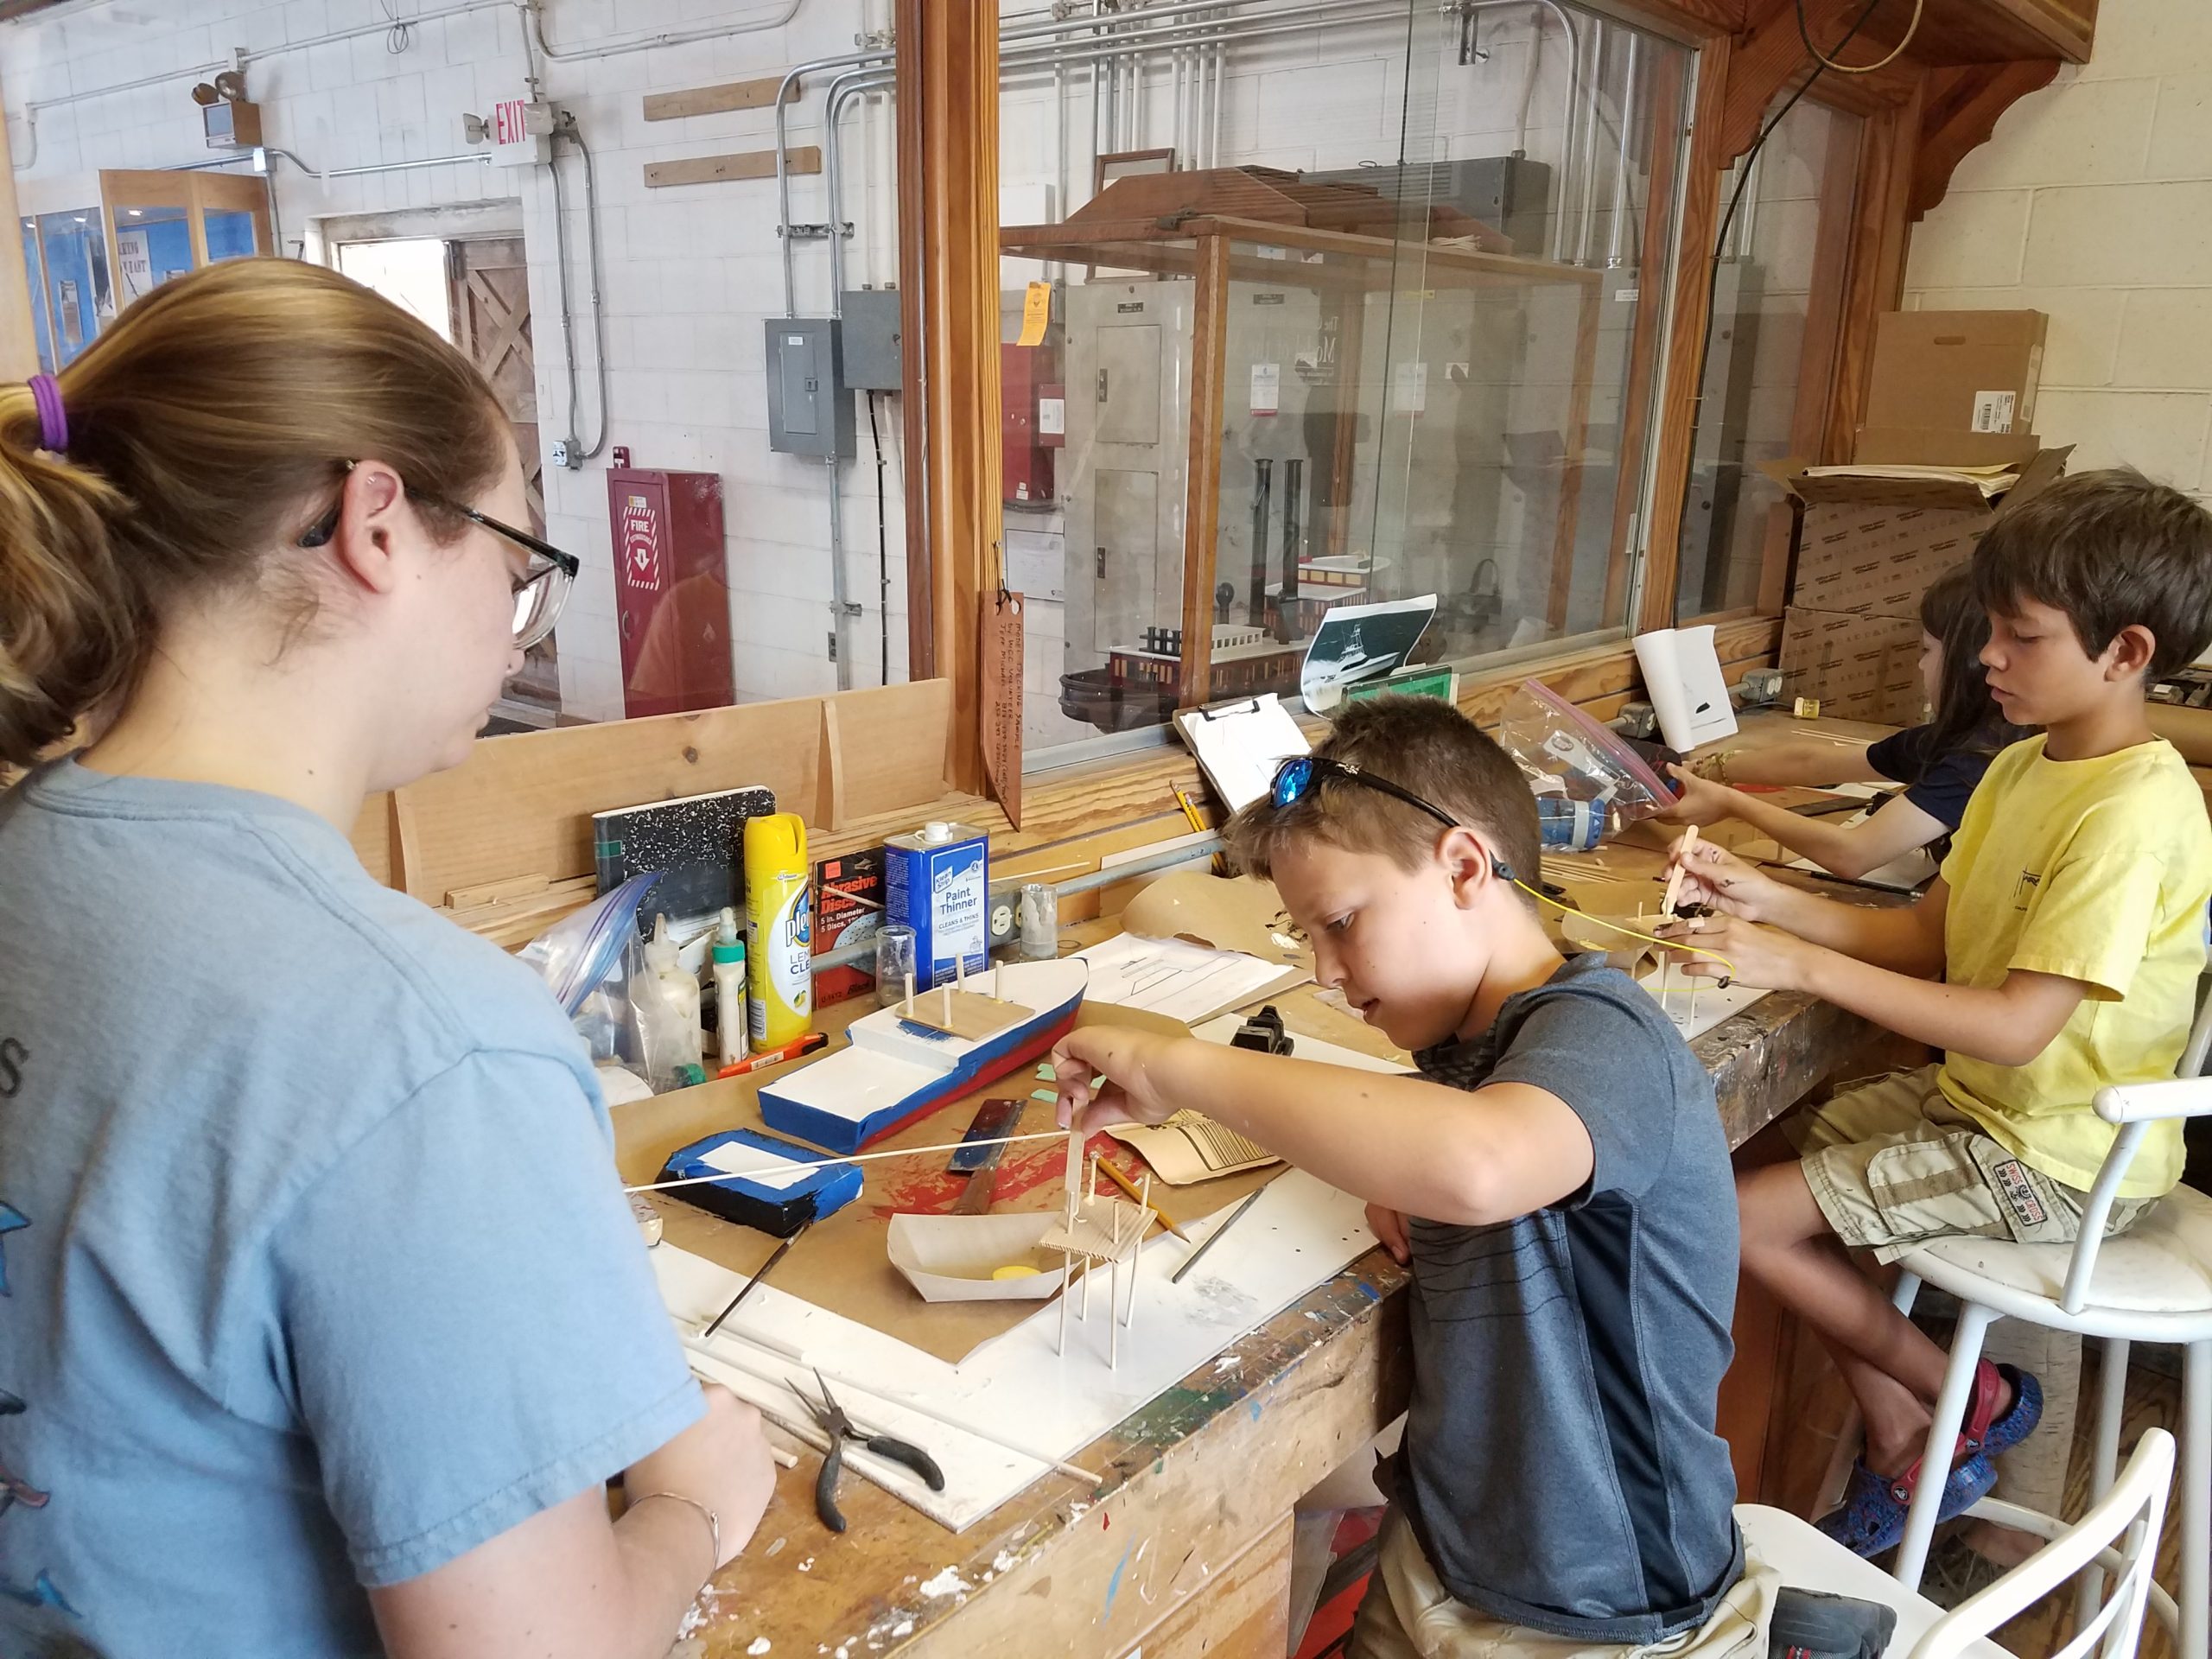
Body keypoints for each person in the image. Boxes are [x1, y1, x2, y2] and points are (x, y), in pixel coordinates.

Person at [0, 261, 776, 1657]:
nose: (514, 618)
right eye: (518, 562)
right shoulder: (421, 1042)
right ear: (376, 525)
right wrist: (693, 1515)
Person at [1052, 696, 1776, 1659]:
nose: (1323, 973)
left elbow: (1478, 1165)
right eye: (1306, 935)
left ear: (1465, 867)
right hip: (1448, 1549)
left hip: (1604, 1606)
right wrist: (1396, 1164)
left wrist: (1175, 1068)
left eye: (1342, 923)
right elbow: (1450, 1152)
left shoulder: (1606, 1039)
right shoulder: (1465, 1052)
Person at [1655, 469, 2212, 1557]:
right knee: (1751, 1164)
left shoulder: (2134, 810)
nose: (1984, 658)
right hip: (1984, 1108)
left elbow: (2011, 1025)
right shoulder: (2017, 770)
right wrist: (1765, 897)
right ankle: (1909, 1419)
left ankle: (1967, 1404)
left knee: (1726, 1219)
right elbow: (1923, 940)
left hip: (2057, 1154)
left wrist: (1795, 964)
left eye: (2019, 636)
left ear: (2126, 652)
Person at [1657, 566, 2031, 880]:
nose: (1920, 666)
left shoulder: (1978, 760)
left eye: (1927, 651)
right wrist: (1712, 769)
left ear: (1968, 663)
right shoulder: (1953, 739)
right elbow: (1813, 762)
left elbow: (1852, 854)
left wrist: (1731, 803)